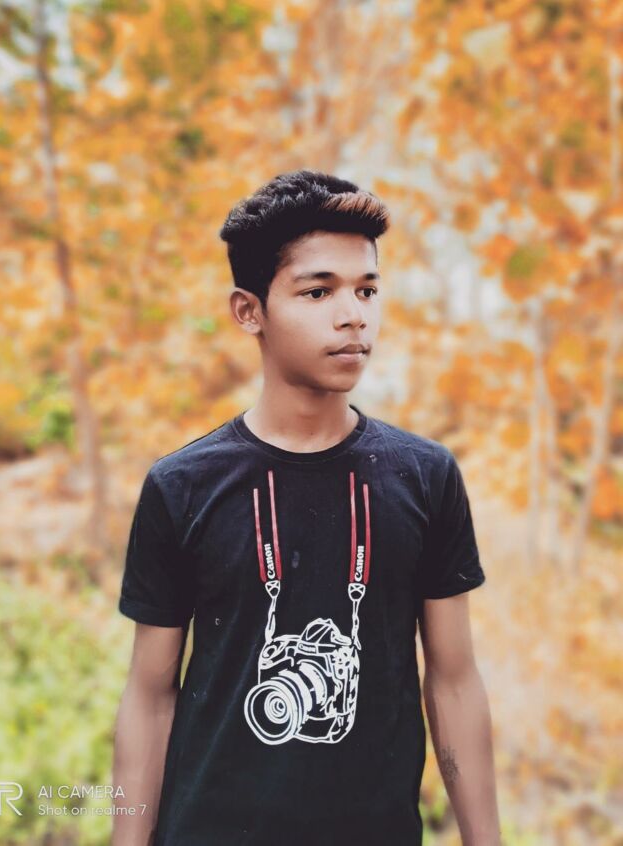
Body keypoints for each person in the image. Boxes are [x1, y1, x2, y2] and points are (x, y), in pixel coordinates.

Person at [111, 170, 502, 846]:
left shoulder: (424, 476)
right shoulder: (183, 486)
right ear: (249, 311)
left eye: (367, 290)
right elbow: (149, 698)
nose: (354, 315)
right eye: (318, 291)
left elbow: (454, 681)